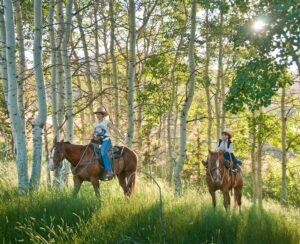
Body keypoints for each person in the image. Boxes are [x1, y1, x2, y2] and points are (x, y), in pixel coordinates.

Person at [92, 107, 125, 180]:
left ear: (102, 115)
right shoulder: (95, 124)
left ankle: (109, 170)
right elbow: (93, 133)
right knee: (92, 153)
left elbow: (114, 129)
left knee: (103, 152)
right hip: (98, 141)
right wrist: (93, 137)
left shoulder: (106, 122)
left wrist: (121, 136)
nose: (97, 115)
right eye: (97, 114)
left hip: (106, 140)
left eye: (99, 114)